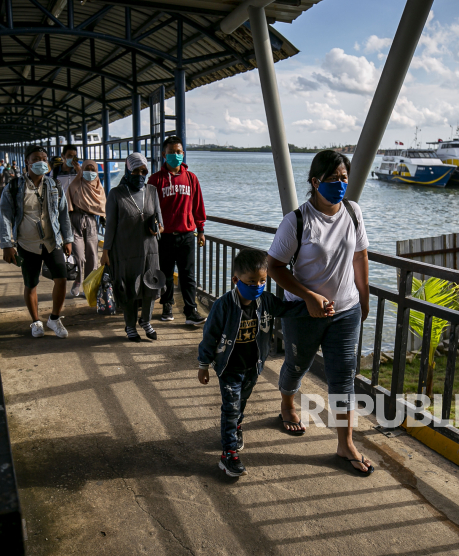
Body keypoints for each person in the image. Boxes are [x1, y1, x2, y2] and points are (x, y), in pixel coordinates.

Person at [266, 150, 374, 475]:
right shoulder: (297, 221)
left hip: (345, 312)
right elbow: (274, 266)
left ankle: (345, 443)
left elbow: (360, 256)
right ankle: (287, 403)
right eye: (333, 179)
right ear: (315, 182)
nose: (340, 184)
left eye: (344, 178)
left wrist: (363, 298)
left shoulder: (353, 212)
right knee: (297, 365)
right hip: (304, 312)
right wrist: (309, 296)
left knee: (343, 377)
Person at [198, 249, 333, 477]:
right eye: (251, 282)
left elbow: (287, 309)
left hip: (253, 366)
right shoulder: (224, 306)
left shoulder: (266, 301)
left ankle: (236, 426)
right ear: (236, 280)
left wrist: (315, 306)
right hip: (229, 367)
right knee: (230, 407)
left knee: (240, 403)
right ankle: (229, 454)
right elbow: (209, 336)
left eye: (262, 281)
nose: (258, 286)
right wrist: (203, 364)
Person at [0, 145, 74, 339]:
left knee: (61, 279)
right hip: (27, 243)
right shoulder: (14, 187)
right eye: (36, 159)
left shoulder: (54, 185)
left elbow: (63, 214)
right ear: (27, 162)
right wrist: (7, 244)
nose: (41, 162)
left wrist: (68, 239)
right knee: (31, 283)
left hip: (52, 241)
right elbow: (5, 216)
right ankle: (36, 321)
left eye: (44, 158)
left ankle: (54, 319)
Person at [101, 153, 163, 342]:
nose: (140, 175)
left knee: (151, 285)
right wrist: (105, 251)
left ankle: (146, 321)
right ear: (128, 171)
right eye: (135, 171)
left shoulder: (152, 191)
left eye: (143, 171)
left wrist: (157, 228)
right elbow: (110, 226)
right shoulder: (116, 194)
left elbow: (161, 221)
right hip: (125, 251)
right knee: (129, 288)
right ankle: (130, 325)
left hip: (150, 250)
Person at [148, 136, 207, 325]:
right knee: (165, 274)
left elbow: (198, 206)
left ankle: (191, 311)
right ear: (164, 154)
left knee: (188, 275)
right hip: (164, 236)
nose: (176, 155)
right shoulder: (155, 180)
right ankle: (167, 305)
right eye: (172, 152)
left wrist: (201, 229)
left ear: (183, 153)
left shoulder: (191, 178)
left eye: (179, 151)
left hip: (187, 235)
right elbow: (148, 208)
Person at [67, 159, 106, 297]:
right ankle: (78, 280)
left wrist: (104, 217)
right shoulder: (75, 184)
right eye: (87, 169)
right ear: (82, 170)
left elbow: (102, 206)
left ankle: (89, 286)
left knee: (92, 255)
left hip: (91, 222)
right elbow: (68, 203)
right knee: (78, 255)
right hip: (74, 220)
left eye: (92, 170)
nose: (90, 172)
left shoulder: (99, 188)